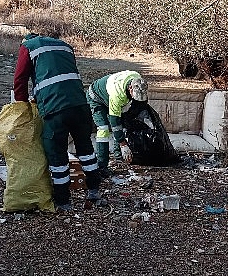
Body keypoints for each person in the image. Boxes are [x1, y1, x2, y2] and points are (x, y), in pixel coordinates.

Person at [13, 33, 101, 212]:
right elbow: (60, 76)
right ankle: (94, 191)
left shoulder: (28, 46)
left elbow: (20, 79)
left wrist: (21, 107)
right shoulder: (64, 46)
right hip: (79, 104)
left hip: (55, 109)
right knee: (86, 150)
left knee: (57, 155)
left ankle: (63, 202)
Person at [86, 70, 149, 176]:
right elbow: (114, 122)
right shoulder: (117, 95)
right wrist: (123, 144)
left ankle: (118, 157)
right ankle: (102, 166)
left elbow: (139, 105)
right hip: (96, 98)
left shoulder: (138, 79)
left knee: (123, 123)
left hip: (109, 94)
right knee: (104, 129)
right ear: (130, 89)